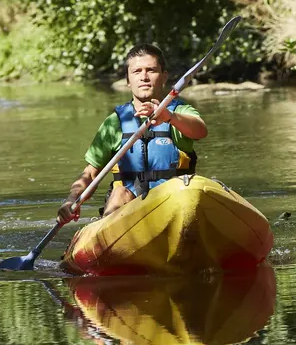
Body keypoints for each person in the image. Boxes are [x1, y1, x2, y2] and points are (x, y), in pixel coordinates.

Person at [60, 44, 208, 221]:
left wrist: (168, 117)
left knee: (190, 190)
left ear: (164, 76)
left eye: (151, 70)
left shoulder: (179, 112)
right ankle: (109, 236)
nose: (144, 77)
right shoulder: (115, 122)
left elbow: (200, 131)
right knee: (120, 192)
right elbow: (91, 173)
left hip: (174, 202)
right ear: (128, 80)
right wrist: (71, 200)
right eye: (137, 71)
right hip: (129, 208)